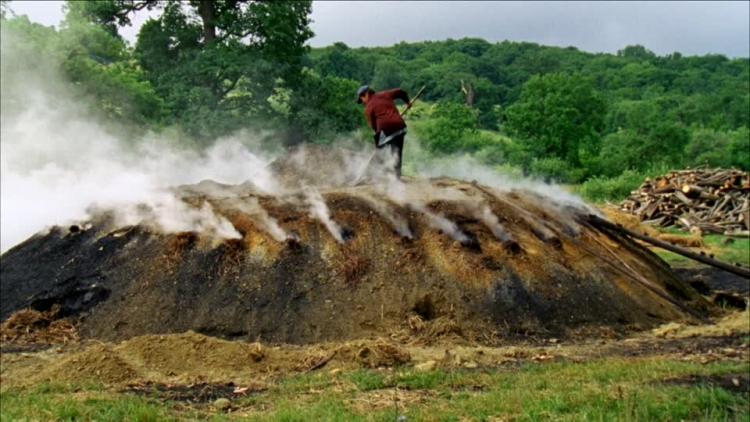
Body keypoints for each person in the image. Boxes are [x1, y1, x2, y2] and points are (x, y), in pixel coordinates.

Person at [357, 85, 411, 180]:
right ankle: (397, 179)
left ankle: (374, 178)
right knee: (397, 154)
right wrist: (408, 102)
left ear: (365, 94)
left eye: (361, 99)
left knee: (379, 154)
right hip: (400, 126)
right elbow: (400, 91)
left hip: (385, 129)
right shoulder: (385, 94)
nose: (363, 102)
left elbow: (374, 125)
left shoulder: (368, 107)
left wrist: (379, 142)